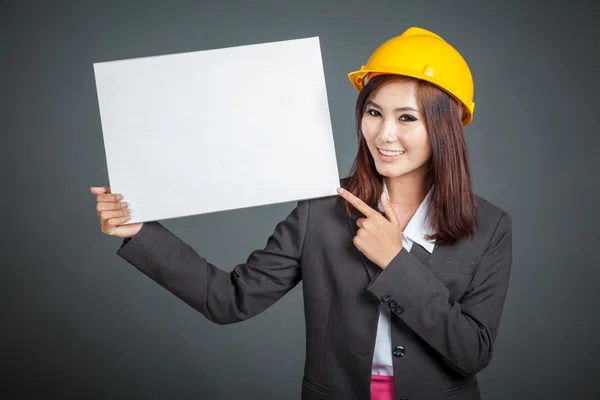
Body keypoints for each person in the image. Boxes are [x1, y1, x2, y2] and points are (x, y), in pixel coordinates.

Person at [90, 27, 512, 400]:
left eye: (406, 118)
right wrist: (140, 231)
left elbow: (471, 352)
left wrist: (394, 263)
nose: (384, 134)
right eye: (373, 112)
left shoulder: (489, 227)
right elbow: (228, 300)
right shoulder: (321, 211)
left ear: (447, 126)